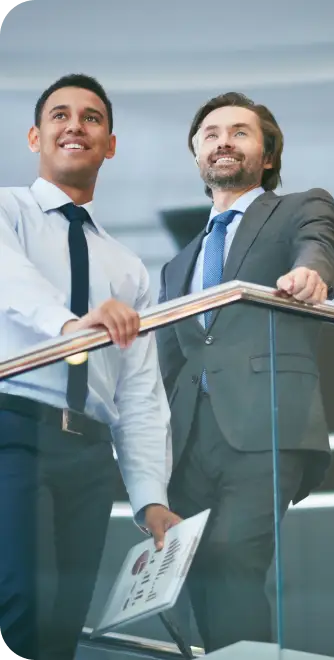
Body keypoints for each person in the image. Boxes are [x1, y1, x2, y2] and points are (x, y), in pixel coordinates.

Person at [0, 74, 181, 660]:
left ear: (110, 144)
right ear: (35, 136)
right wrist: (68, 324)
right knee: (20, 601)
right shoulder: (7, 210)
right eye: (60, 115)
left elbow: (141, 391)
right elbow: (11, 283)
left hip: (88, 454)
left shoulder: (126, 266)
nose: (75, 125)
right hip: (13, 430)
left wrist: (150, 494)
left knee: (63, 623)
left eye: (91, 118)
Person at [156, 91, 334, 652]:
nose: (223, 141)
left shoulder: (299, 206)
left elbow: (320, 249)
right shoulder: (178, 262)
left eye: (240, 131)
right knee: (193, 577)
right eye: (210, 133)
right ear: (196, 156)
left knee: (234, 554)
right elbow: (170, 360)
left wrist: (312, 275)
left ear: (266, 156)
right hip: (189, 441)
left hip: (265, 426)